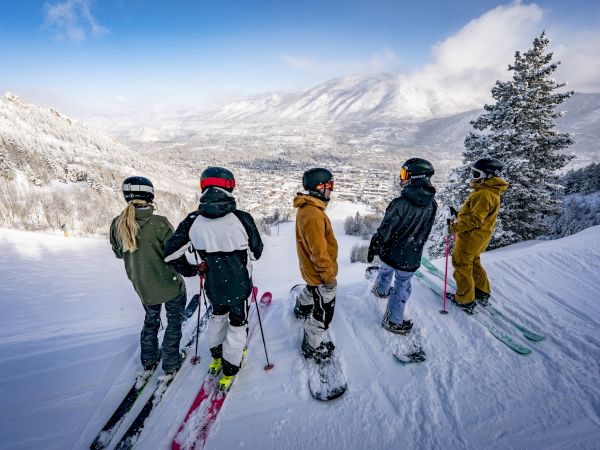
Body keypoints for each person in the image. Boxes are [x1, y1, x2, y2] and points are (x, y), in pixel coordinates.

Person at [164, 167, 263, 389]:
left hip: (213, 285)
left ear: (203, 187)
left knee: (218, 317)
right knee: (238, 324)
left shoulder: (193, 221)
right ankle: (230, 367)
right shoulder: (242, 218)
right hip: (239, 285)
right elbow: (257, 251)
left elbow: (170, 253)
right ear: (230, 186)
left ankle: (217, 357)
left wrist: (193, 268)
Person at [110, 176, 187, 374]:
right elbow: (174, 255)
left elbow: (119, 253)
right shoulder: (159, 223)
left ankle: (148, 359)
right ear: (149, 195)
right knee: (174, 321)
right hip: (168, 284)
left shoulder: (118, 224)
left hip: (143, 286)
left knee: (151, 319)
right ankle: (171, 362)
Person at [367, 158, 437, 334]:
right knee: (402, 285)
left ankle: (382, 293)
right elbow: (425, 231)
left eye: (404, 174)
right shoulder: (432, 204)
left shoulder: (400, 203)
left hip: (391, 251)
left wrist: (375, 244)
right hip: (411, 254)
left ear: (416, 178)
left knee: (386, 269)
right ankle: (394, 319)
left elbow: (385, 229)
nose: (400, 178)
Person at [446, 158, 509, 313]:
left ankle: (465, 299)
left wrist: (453, 228)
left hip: (470, 237)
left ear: (488, 175)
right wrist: (459, 216)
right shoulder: (490, 192)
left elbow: (474, 219)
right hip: (481, 236)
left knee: (461, 264)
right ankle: (481, 291)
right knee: (473, 261)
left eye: (476, 173)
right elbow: (477, 215)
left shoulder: (484, 193)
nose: (473, 177)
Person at [293, 168, 338, 362]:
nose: (332, 191)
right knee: (325, 310)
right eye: (330, 186)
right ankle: (312, 345)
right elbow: (319, 253)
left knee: (312, 290)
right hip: (319, 272)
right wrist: (329, 278)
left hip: (310, 270)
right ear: (320, 188)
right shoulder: (314, 215)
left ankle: (302, 307)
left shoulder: (308, 208)